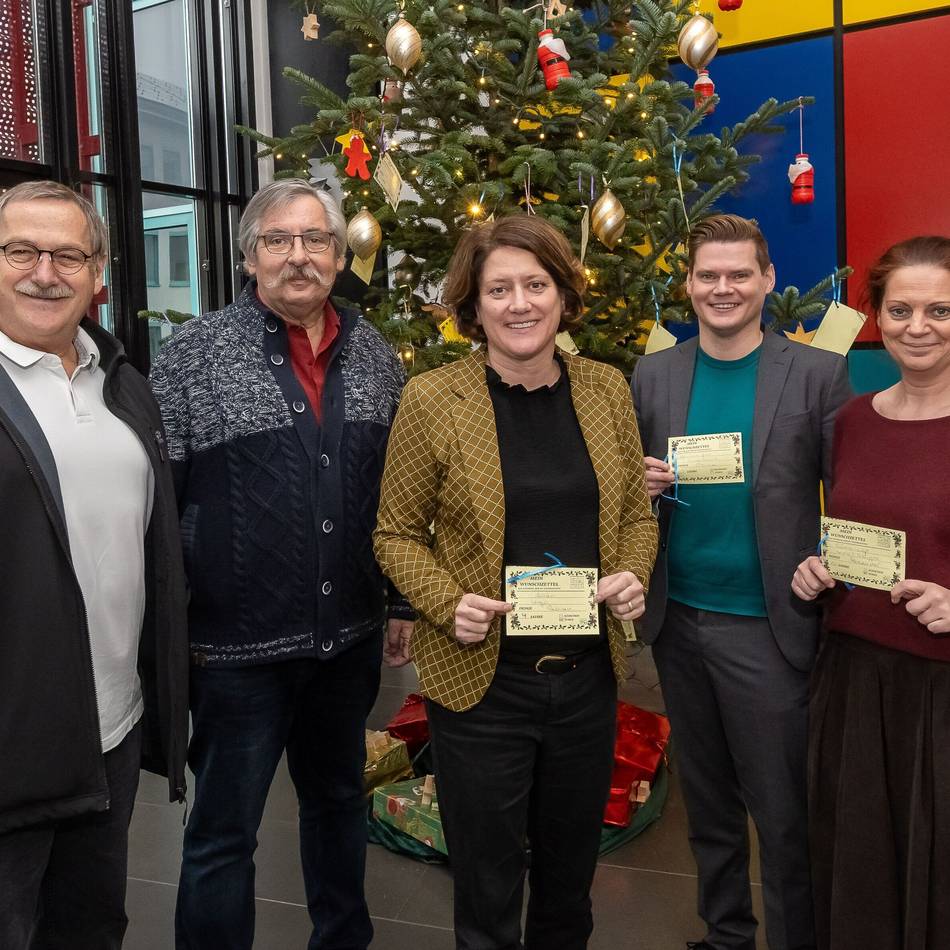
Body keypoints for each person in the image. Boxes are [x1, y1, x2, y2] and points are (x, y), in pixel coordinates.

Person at [374, 214, 657, 950]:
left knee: (569, 888)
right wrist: (445, 603)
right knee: (488, 891)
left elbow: (634, 515)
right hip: (483, 685)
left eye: (536, 284)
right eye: (499, 289)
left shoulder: (605, 389)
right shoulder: (434, 399)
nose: (519, 303)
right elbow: (394, 534)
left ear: (564, 296)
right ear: (473, 306)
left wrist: (632, 574)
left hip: (587, 679)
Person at [148, 179, 414, 950]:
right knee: (223, 833)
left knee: (338, 808)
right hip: (235, 652)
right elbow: (159, 506)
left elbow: (395, 495)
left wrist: (398, 604)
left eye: (316, 240)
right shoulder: (193, 356)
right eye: (278, 240)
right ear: (248, 258)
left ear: (339, 255)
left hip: (348, 641)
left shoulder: (374, 354)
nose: (298, 256)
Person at [631, 214, 852, 950]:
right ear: (688, 285)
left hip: (770, 626)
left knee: (784, 817)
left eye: (737, 275)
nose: (720, 288)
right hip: (678, 623)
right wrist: (641, 483)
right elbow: (625, 492)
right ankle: (726, 936)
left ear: (766, 282)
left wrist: (833, 564)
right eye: (706, 275)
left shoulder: (816, 373)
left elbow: (849, 493)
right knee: (709, 804)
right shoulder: (655, 372)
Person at [0, 180, 189, 949]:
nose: (44, 271)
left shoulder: (123, 385)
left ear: (98, 273)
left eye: (68, 254)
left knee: (90, 926)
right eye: (21, 250)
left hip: (111, 729)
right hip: (11, 745)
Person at [792, 235, 950, 950]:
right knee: (857, 874)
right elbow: (853, 535)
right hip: (853, 681)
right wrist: (815, 575)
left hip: (940, 695)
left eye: (941, 310)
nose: (919, 326)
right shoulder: (854, 420)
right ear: (876, 318)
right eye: (902, 309)